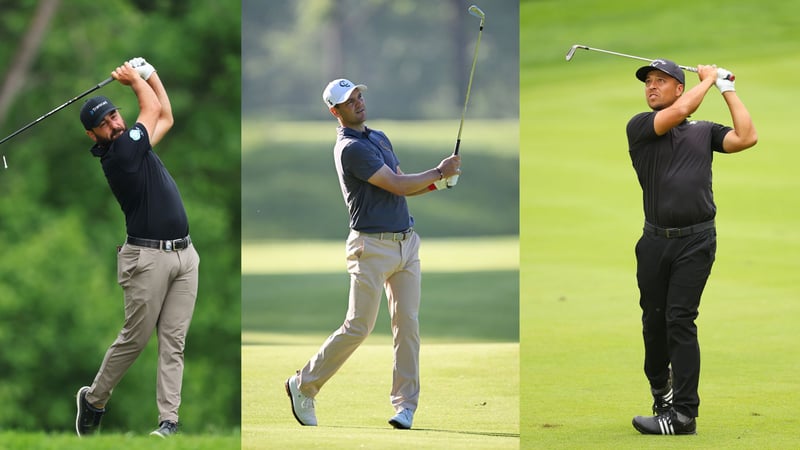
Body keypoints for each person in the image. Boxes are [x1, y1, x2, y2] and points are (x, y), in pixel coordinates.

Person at [284, 78, 461, 430]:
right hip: (371, 247)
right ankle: (303, 384)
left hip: (406, 244)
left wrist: (438, 182)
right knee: (359, 326)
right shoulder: (351, 148)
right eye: (349, 101)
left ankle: (405, 406)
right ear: (335, 112)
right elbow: (396, 184)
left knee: (407, 325)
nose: (358, 103)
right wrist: (440, 172)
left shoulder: (378, 137)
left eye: (359, 96)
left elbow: (403, 184)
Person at [626, 59, 757, 435]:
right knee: (654, 324)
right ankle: (660, 389)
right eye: (648, 81)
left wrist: (727, 89)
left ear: (679, 87)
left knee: (680, 320)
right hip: (654, 242)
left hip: (697, 240)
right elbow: (683, 110)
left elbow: (745, 137)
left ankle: (683, 415)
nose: (651, 87)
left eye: (661, 81)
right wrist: (711, 79)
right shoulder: (640, 126)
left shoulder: (703, 132)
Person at [74, 58, 200, 438]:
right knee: (136, 338)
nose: (114, 123)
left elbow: (167, 117)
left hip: (185, 256)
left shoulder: (136, 145)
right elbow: (150, 108)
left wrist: (150, 74)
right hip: (146, 259)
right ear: (93, 135)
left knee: (174, 342)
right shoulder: (120, 156)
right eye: (105, 123)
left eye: (114, 115)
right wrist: (134, 80)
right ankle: (94, 400)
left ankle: (168, 424)